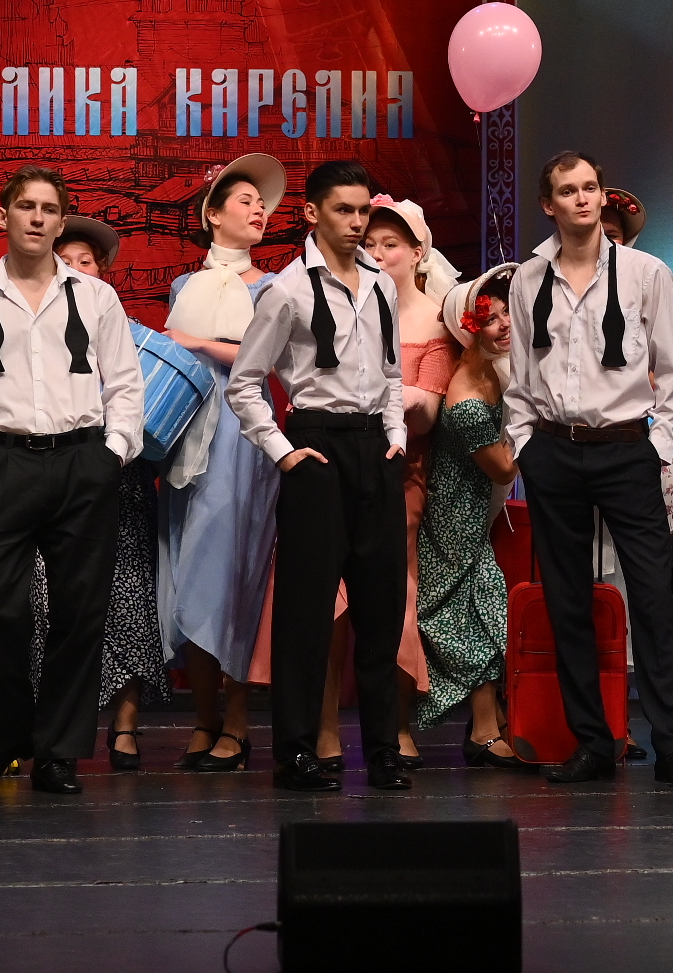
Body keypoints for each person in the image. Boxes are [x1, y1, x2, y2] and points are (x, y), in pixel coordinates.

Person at [0, 165, 145, 795]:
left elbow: (124, 385)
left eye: (49, 208)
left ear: (60, 220)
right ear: (3, 216)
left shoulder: (96, 297)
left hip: (82, 461)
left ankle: (58, 753)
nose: (37, 217)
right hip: (1, 464)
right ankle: (4, 744)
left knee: (80, 613)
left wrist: (112, 455)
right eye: (26, 206)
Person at [503, 151, 673, 788]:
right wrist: (525, 444)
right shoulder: (527, 279)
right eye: (569, 190)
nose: (583, 198)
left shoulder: (646, 272)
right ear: (549, 204)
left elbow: (671, 370)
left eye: (590, 187)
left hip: (625, 448)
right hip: (554, 449)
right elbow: (519, 374)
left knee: (650, 596)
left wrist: (658, 445)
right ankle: (592, 742)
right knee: (566, 600)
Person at [227, 159, 409, 792]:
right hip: (315, 444)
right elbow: (245, 382)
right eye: (344, 210)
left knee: (382, 608)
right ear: (312, 213)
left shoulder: (380, 284)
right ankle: (297, 751)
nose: (357, 223)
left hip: (375, 449)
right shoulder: (286, 290)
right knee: (306, 612)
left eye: (363, 211)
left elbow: (391, 373)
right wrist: (282, 450)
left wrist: (396, 435)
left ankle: (383, 750)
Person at [320, 194, 457, 768]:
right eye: (370, 243)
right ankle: (324, 727)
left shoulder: (436, 318)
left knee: (393, 595)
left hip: (402, 471)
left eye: (391, 244)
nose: (376, 253)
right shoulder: (341, 301)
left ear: (418, 252)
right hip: (334, 463)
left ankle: (394, 725)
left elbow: (428, 413)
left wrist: (390, 399)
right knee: (326, 594)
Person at [159, 155, 286, 772]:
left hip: (244, 434)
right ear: (212, 214)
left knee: (236, 569)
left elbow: (269, 362)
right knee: (187, 565)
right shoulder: (184, 287)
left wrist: (200, 344)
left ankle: (237, 720)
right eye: (244, 201)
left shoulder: (273, 288)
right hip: (188, 432)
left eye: (262, 204)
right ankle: (203, 716)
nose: (258, 210)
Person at [35, 215, 169, 771]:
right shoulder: (34, 331)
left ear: (103, 270)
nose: (74, 269)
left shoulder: (129, 331)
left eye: (85, 261)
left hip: (121, 475)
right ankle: (61, 727)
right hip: (54, 476)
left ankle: (126, 723)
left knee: (129, 592)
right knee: (53, 599)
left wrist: (114, 451)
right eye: (64, 261)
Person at [414, 264, 524, 767]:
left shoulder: (493, 374)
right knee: (474, 616)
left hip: (473, 516)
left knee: (490, 610)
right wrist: (535, 427)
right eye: (490, 318)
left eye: (507, 313)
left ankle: (491, 723)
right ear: (469, 329)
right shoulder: (467, 401)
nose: (503, 324)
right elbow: (503, 468)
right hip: (453, 519)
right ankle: (483, 730)